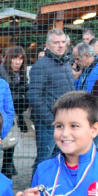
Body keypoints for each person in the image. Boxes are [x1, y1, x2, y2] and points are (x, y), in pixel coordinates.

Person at [28, 29, 73, 170]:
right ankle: (36, 191)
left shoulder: (65, 63)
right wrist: (50, 120)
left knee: (60, 160)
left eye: (62, 42)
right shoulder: (41, 66)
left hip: (65, 122)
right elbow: (34, 96)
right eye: (56, 42)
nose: (60, 45)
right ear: (48, 44)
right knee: (44, 161)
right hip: (49, 125)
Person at [0, 46, 30, 178]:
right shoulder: (1, 73)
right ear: (9, 59)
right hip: (2, 113)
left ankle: (8, 166)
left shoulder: (20, 75)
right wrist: (20, 97)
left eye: (21, 59)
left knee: (11, 140)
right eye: (15, 59)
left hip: (16, 113)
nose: (18, 62)